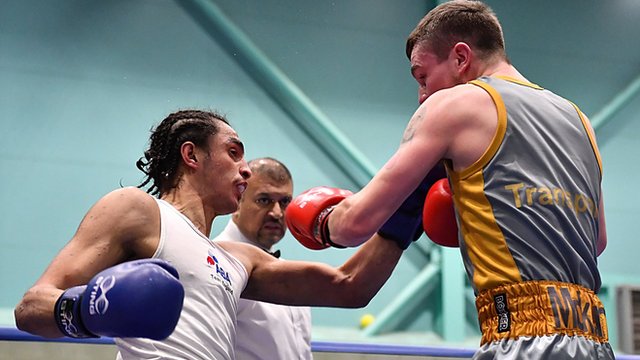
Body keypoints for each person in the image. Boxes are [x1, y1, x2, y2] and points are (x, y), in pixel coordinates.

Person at [283, 1, 613, 359]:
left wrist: (322, 222)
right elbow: (596, 241)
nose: (422, 94)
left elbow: (354, 225)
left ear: (460, 58)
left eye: (423, 77)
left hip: (520, 339)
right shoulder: (580, 120)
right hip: (594, 340)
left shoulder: (455, 105)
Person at [13, 109, 435, 360]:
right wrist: (88, 312)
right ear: (191, 154)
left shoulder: (238, 257)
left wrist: (406, 210)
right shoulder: (139, 211)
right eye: (234, 152)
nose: (246, 169)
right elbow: (31, 307)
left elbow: (349, 288)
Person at [213, 157, 312, 360]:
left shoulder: (288, 273)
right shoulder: (215, 264)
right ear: (237, 203)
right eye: (264, 200)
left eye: (285, 202)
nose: (277, 213)